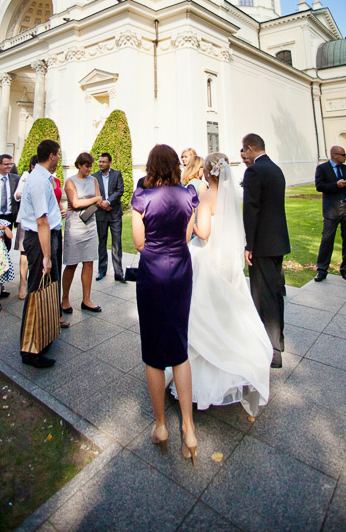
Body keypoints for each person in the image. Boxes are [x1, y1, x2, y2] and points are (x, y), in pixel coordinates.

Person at [185, 153, 272, 414]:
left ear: (208, 172)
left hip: (208, 258)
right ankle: (233, 368)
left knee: (204, 314)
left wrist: (191, 217)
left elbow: (204, 233)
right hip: (228, 261)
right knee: (227, 313)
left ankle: (203, 382)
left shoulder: (206, 196)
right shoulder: (231, 195)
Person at [131, 144, 198, 464]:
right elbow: (186, 238)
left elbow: (139, 242)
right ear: (174, 165)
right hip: (181, 271)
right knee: (180, 348)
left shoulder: (142, 198)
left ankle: (161, 426)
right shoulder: (188, 195)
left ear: (150, 166)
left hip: (152, 273)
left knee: (154, 352)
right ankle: (189, 427)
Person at [241, 133, 290, 370]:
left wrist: (249, 245)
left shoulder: (254, 172)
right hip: (278, 241)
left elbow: (251, 210)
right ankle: (278, 339)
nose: (243, 154)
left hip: (261, 244)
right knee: (277, 292)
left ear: (250, 149)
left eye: (244, 150)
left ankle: (273, 349)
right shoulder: (276, 169)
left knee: (263, 295)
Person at [18, 139, 64, 368]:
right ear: (51, 155)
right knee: (36, 290)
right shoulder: (37, 180)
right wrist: (46, 256)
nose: (59, 158)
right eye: (58, 154)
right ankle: (30, 350)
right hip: (39, 240)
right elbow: (41, 221)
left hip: (48, 237)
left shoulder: (43, 177)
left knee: (47, 286)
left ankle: (43, 337)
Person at [62, 152, 103, 313]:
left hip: (90, 222)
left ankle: (86, 299)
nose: (89, 169)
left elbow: (99, 198)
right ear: (79, 165)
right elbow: (75, 202)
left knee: (89, 262)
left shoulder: (93, 180)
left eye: (90, 166)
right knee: (72, 263)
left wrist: (96, 201)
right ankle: (65, 298)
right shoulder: (70, 181)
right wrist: (94, 199)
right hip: (75, 225)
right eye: (86, 166)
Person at [314, 145, 346, 283]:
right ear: (335, 155)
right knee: (327, 240)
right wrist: (336, 185)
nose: (345, 157)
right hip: (332, 209)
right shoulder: (322, 169)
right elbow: (319, 186)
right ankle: (322, 270)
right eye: (343, 154)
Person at [92, 152, 125, 282]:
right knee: (102, 242)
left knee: (117, 243)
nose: (101, 164)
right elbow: (93, 193)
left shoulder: (117, 174)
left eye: (103, 162)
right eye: (100, 162)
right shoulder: (94, 177)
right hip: (100, 213)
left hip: (115, 213)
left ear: (110, 163)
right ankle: (101, 270)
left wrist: (109, 202)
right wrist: (102, 204)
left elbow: (120, 190)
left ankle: (118, 273)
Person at [14, 155, 38, 299]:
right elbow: (17, 195)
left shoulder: (50, 177)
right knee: (24, 251)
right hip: (26, 218)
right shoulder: (26, 176)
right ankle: (23, 282)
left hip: (40, 219)